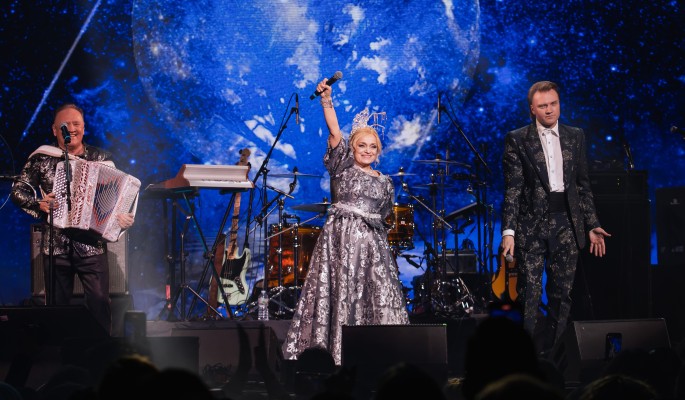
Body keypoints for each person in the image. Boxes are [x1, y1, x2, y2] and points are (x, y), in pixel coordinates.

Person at [282, 78, 409, 365]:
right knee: (342, 292)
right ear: (351, 147)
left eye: (372, 147)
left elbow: (384, 214)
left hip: (372, 250)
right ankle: (335, 355)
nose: (367, 150)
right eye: (361, 145)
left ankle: (378, 356)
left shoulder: (386, 182)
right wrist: (327, 100)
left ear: (378, 151)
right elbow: (334, 131)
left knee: (374, 295)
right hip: (341, 244)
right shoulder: (342, 167)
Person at [500, 81, 611, 354]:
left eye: (553, 104)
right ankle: (525, 356)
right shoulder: (517, 138)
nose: (549, 110)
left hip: (567, 224)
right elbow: (513, 188)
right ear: (532, 109)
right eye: (543, 106)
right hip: (531, 226)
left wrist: (592, 224)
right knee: (529, 294)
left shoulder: (576, 136)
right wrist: (509, 232)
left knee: (562, 296)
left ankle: (555, 357)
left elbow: (582, 186)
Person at [11, 103, 134, 334]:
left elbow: (117, 200)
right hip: (55, 245)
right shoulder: (42, 157)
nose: (72, 129)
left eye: (76, 124)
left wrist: (121, 219)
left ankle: (99, 351)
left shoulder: (102, 158)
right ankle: (58, 351)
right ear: (54, 130)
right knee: (56, 308)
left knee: (99, 303)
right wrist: (39, 204)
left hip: (92, 245)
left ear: (84, 127)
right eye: (64, 125)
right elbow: (18, 191)